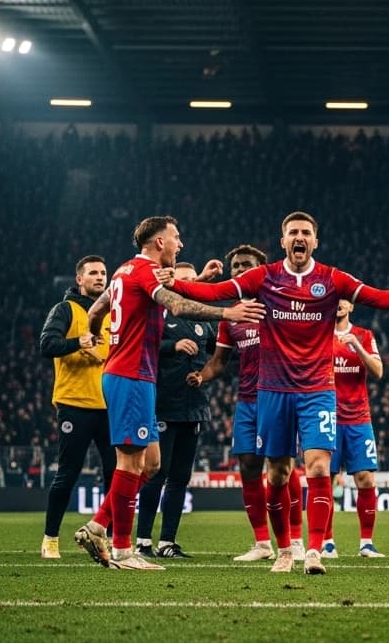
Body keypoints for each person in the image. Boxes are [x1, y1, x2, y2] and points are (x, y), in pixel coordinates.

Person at [165, 210, 389, 574]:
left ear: (315, 241)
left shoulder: (331, 278)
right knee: (278, 473)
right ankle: (283, 550)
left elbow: (376, 297)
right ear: (283, 241)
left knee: (319, 466)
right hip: (273, 391)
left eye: (306, 233)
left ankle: (313, 551)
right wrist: (175, 284)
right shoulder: (264, 277)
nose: (299, 237)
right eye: (293, 232)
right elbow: (216, 292)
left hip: (317, 389)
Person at [75, 216, 265, 571]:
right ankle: (123, 550)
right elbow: (176, 305)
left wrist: (97, 332)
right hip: (131, 375)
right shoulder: (145, 270)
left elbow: (98, 309)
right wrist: (229, 312)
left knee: (151, 464)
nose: (180, 244)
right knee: (129, 463)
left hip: (135, 376)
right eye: (176, 237)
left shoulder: (124, 271)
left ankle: (98, 526)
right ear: (159, 242)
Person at [198, 245, 289, 562]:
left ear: (262, 268)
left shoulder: (280, 306)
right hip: (247, 402)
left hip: (278, 398)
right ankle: (262, 544)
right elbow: (218, 362)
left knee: (281, 470)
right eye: (235, 266)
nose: (239, 270)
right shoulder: (231, 317)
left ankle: (293, 541)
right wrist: (200, 376)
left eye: (246, 265)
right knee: (249, 467)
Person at [135, 262, 219, 559]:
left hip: (193, 406)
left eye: (192, 280)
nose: (187, 284)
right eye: (182, 279)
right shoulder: (158, 312)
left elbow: (220, 354)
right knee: (157, 472)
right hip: (163, 404)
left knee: (181, 477)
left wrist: (203, 375)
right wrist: (172, 345)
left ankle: (167, 542)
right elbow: (141, 344)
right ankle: (142, 541)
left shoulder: (202, 320)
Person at [38, 255, 116, 558]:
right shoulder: (66, 309)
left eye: (103, 273)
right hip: (75, 404)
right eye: (93, 273)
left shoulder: (112, 312)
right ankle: (50, 539)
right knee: (68, 473)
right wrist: (77, 343)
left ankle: (110, 539)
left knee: (115, 474)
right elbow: (47, 344)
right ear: (79, 279)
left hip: (109, 404)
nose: (100, 277)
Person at [323, 298, 388, 558]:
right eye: (335, 299)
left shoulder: (364, 335)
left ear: (351, 307)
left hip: (359, 418)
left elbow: (378, 371)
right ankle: (327, 543)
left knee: (366, 479)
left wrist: (357, 346)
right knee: (324, 480)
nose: (339, 303)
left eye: (344, 300)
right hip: (327, 418)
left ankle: (366, 544)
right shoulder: (319, 335)